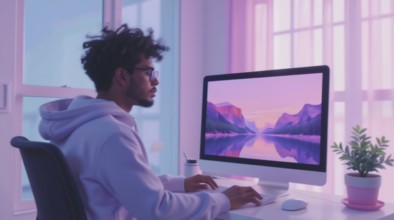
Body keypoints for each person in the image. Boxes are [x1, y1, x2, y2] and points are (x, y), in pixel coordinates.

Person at [38, 24, 262, 220]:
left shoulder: (79, 126)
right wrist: (223, 200)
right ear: (122, 77)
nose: (156, 81)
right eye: (148, 72)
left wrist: (180, 183)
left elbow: (125, 183)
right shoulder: (112, 135)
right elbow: (158, 209)